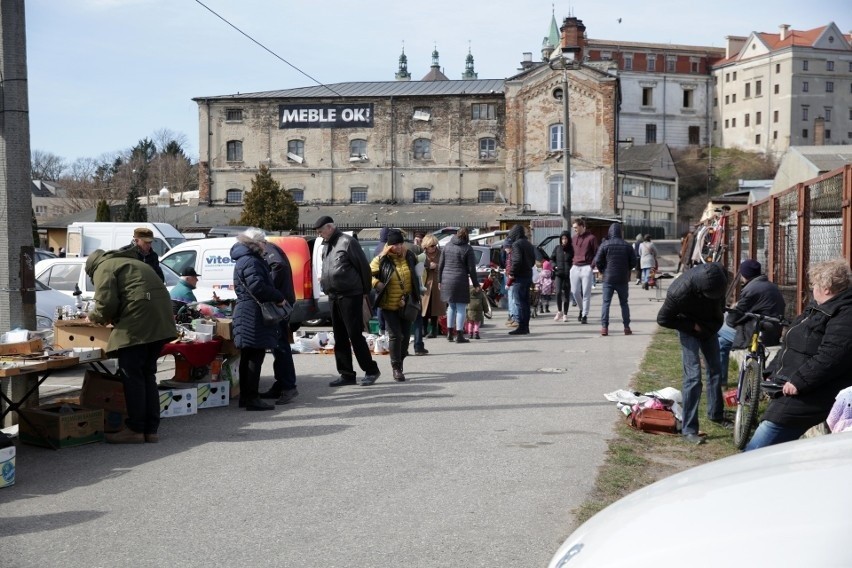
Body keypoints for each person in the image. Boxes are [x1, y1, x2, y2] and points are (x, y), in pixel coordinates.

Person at [745, 259, 852, 451]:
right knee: (774, 449)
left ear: (826, 288)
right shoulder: (817, 308)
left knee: (758, 449)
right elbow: (791, 343)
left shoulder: (845, 314)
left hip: (812, 392)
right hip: (793, 385)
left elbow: (832, 355)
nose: (812, 289)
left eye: (814, 285)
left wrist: (799, 381)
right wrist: (772, 370)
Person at [85, 248, 176, 443]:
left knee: (132, 375)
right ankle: (151, 430)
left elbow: (106, 303)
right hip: (161, 320)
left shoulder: (104, 267)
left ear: (91, 268)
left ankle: (135, 429)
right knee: (147, 374)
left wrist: (93, 317)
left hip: (139, 321)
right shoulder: (131, 263)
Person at [656, 262, 728, 445]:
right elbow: (663, 319)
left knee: (715, 370)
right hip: (689, 329)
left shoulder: (719, 279)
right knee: (693, 377)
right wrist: (691, 326)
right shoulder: (678, 291)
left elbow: (720, 308)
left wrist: (710, 327)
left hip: (710, 327)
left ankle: (716, 414)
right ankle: (689, 429)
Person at [316, 216, 381, 386]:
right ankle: (346, 374)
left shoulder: (347, 242)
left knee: (354, 334)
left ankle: (371, 370)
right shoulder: (327, 245)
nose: (320, 234)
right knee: (340, 336)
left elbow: (363, 268)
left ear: (329, 228)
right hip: (333, 295)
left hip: (350, 294)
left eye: (321, 231)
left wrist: (365, 292)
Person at [231, 228, 284, 411]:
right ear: (256, 243)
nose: (265, 246)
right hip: (253, 313)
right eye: (263, 242)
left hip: (247, 311)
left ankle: (246, 397)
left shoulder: (244, 259)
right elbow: (258, 287)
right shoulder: (251, 261)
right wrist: (278, 296)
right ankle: (252, 398)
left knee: (248, 356)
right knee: (255, 356)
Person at [717, 259, 786, 387]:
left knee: (717, 326)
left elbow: (732, 320)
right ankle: (720, 380)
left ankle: (717, 376)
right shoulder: (770, 285)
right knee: (722, 343)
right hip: (773, 330)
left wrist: (734, 308)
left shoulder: (751, 289)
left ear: (745, 274)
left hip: (759, 332)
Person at [370, 229, 421, 381]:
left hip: (407, 303)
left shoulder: (409, 256)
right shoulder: (381, 259)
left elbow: (418, 273)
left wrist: (420, 287)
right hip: (388, 304)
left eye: (400, 244)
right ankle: (396, 367)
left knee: (405, 337)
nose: (398, 247)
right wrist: (377, 283)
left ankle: (400, 360)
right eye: (394, 245)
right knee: (395, 336)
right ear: (388, 245)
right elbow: (367, 274)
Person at [259, 238, 299, 405]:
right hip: (281, 301)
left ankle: (288, 386)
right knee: (278, 346)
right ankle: (281, 383)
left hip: (279, 304)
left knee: (281, 346)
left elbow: (278, 266)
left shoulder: (268, 250)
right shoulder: (269, 248)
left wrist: (271, 290)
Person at [593, 222, 637, 336]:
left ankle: (604, 328)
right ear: (620, 232)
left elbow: (597, 261)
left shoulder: (604, 245)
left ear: (610, 232)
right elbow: (634, 262)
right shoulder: (627, 245)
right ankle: (626, 327)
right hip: (622, 278)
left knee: (606, 303)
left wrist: (603, 270)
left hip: (608, 278)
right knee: (624, 303)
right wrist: (626, 269)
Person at [438, 227, 479, 343]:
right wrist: (476, 284)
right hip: (460, 279)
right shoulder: (467, 248)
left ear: (456, 234)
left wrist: (439, 281)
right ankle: (459, 334)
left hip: (447, 280)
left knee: (451, 306)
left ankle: (449, 333)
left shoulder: (447, 246)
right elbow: (472, 269)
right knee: (461, 307)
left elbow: (440, 265)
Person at [508, 224, 536, 335]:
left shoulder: (516, 244)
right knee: (525, 302)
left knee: (519, 302)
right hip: (528, 275)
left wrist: (512, 273)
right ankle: (526, 326)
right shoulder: (529, 244)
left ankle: (522, 327)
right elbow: (533, 261)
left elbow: (517, 261)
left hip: (519, 277)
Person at [570, 218, 598, 324]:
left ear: (582, 226)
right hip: (575, 267)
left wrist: (592, 265)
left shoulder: (591, 238)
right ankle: (582, 309)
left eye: (576, 227)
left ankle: (585, 315)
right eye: (574, 228)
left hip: (587, 266)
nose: (575, 230)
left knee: (586, 293)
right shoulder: (573, 238)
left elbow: (597, 252)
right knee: (575, 291)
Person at [420, 234, 445, 338]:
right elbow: (417, 268)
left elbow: (446, 266)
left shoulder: (441, 254)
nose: (434, 247)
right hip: (425, 283)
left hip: (437, 283)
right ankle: (423, 329)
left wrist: (437, 266)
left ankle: (434, 330)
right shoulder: (422, 256)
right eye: (432, 245)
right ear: (426, 246)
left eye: (435, 245)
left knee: (435, 307)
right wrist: (427, 266)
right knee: (424, 308)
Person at [552, 231, 574, 322]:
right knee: (558, 293)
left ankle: (565, 314)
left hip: (568, 275)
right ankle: (559, 311)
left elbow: (575, 260)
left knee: (566, 295)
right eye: (562, 239)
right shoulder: (557, 248)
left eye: (565, 238)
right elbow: (551, 259)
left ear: (568, 239)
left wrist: (572, 268)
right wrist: (554, 266)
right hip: (558, 274)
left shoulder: (572, 249)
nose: (564, 240)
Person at [502, 239, 518, 328]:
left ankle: (514, 318)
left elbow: (512, 269)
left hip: (512, 280)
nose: (505, 249)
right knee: (511, 299)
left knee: (513, 300)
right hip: (510, 278)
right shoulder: (509, 255)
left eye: (506, 247)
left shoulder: (512, 256)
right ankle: (512, 317)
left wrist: (508, 283)